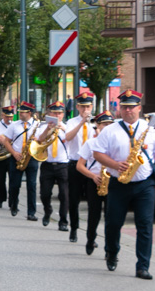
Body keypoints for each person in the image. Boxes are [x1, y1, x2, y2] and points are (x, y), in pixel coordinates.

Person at [91, 90, 155, 279]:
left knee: (145, 225)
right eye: (124, 107)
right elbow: (97, 153)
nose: (128, 110)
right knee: (114, 223)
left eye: (132, 107)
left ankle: (142, 266)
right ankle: (112, 253)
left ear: (139, 108)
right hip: (118, 184)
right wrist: (114, 164)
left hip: (144, 184)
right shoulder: (109, 130)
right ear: (119, 109)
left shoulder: (151, 130)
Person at [76, 111, 114, 256]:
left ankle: (109, 249)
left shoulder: (114, 142)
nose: (107, 127)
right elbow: (79, 166)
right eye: (105, 124)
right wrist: (93, 176)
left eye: (110, 124)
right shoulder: (91, 143)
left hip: (111, 181)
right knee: (94, 214)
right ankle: (90, 239)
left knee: (111, 217)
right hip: (95, 181)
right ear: (97, 125)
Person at [0, 102, 41, 220]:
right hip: (16, 157)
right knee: (14, 185)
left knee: (31, 185)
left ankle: (31, 212)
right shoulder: (15, 125)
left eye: (23, 112)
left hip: (31, 158)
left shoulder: (37, 125)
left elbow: (42, 142)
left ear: (29, 113)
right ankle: (14, 205)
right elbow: (6, 141)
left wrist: (37, 140)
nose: (20, 114)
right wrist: (14, 153)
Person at [63, 91, 95, 244]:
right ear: (77, 107)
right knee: (74, 199)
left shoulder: (96, 123)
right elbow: (67, 137)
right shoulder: (72, 122)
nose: (85, 110)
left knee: (92, 201)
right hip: (75, 164)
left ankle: (91, 235)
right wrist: (82, 122)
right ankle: (74, 228)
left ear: (92, 106)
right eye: (82, 107)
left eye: (87, 106)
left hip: (92, 166)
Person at [37, 101, 71, 234]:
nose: (57, 115)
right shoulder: (43, 126)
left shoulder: (67, 127)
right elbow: (39, 140)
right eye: (54, 113)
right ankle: (47, 211)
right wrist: (48, 128)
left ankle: (63, 221)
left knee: (64, 194)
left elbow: (72, 139)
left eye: (60, 113)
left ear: (63, 114)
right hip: (47, 164)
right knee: (45, 194)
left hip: (63, 164)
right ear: (50, 114)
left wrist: (63, 128)